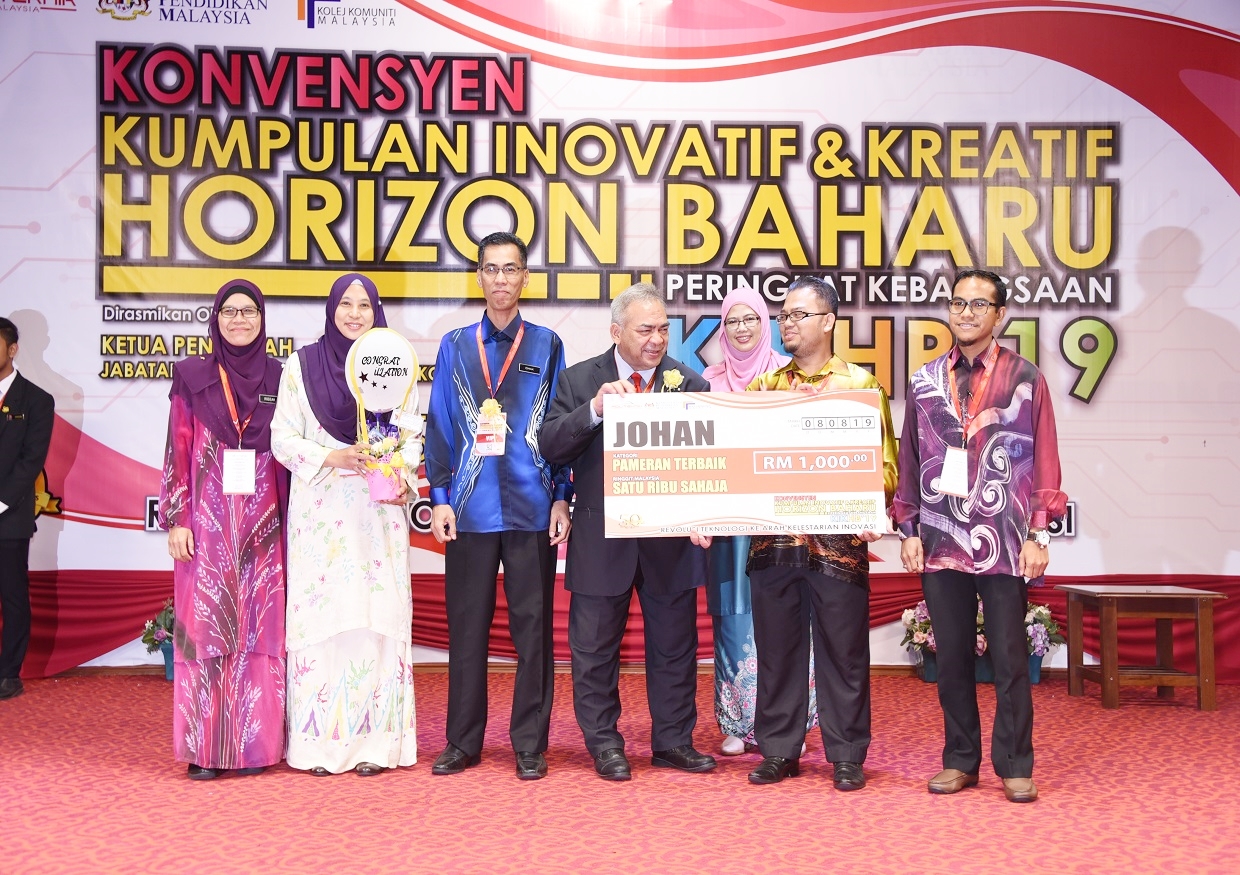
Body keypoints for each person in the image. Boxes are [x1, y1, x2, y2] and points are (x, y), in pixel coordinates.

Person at [894, 269, 1066, 804]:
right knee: (951, 658)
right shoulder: (925, 379)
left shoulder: (1025, 378)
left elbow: (1044, 457)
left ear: (1000, 315)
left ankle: (1015, 763)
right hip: (941, 537)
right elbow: (909, 456)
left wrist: (1039, 534)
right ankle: (959, 760)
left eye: (978, 304)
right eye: (957, 303)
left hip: (1005, 537)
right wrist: (908, 527)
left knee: (1011, 657)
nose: (965, 313)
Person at [539, 283, 716, 781]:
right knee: (594, 651)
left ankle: (673, 742)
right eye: (645, 330)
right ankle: (604, 744)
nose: (656, 339)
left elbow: (708, 463)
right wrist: (595, 410)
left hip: (671, 542)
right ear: (616, 332)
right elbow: (551, 445)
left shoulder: (691, 383)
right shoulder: (580, 380)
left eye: (663, 329)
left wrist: (705, 514)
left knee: (675, 648)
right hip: (601, 539)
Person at [424, 232, 572, 781]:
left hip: (533, 508)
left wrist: (562, 497)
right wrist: (440, 497)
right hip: (469, 508)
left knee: (533, 632)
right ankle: (462, 741)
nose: (502, 279)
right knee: (467, 629)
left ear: (525, 277)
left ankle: (529, 743)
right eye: (492, 269)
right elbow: (440, 424)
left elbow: (560, 427)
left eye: (511, 269)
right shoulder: (454, 345)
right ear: (479, 277)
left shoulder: (547, 345)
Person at [742, 276, 897, 790]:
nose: (786, 323)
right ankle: (778, 750)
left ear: (828, 321)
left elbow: (887, 469)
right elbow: (738, 465)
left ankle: (847, 753)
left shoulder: (861, 387)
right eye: (783, 315)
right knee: (777, 652)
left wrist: (865, 496)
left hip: (839, 548)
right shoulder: (763, 390)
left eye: (798, 314)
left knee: (844, 652)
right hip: (774, 546)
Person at [271, 273, 422, 777]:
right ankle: (318, 747)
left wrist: (404, 479)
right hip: (322, 519)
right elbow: (281, 438)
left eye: (364, 305)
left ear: (376, 312)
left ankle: (375, 747)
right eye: (346, 304)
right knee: (325, 623)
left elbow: (413, 434)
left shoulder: (395, 362)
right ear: (331, 308)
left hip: (378, 519)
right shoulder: (302, 365)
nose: (355, 314)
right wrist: (331, 456)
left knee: (375, 621)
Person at [157, 281, 287, 779]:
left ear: (262, 318)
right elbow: (177, 447)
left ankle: (256, 747)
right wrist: (177, 518)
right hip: (206, 524)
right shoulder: (192, 376)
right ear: (215, 319)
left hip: (264, 523)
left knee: (260, 628)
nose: (239, 320)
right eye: (229, 312)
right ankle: (206, 750)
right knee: (205, 629)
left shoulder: (280, 376)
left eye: (248, 311)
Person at [702, 288, 819, 756]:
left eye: (751, 318)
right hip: (729, 526)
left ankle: (791, 722)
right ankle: (739, 721)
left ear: (764, 323)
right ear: (722, 329)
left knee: (788, 617)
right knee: (734, 617)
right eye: (732, 321)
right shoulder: (707, 382)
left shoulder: (787, 377)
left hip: (780, 520)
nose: (742, 328)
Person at [0, 317, 54, 702]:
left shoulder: (36, 400)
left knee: (13, 597)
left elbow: (31, 460)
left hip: (9, 517)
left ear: (12, 349)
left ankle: (8, 673)